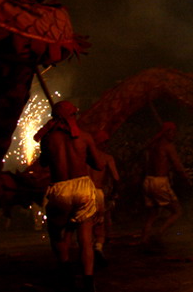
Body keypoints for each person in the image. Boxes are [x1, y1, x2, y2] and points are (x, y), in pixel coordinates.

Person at [38, 101, 103, 292]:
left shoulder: (48, 139)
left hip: (60, 188)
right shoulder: (85, 137)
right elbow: (98, 165)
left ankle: (66, 273)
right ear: (73, 116)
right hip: (83, 186)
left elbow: (43, 163)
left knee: (58, 233)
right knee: (85, 238)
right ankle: (89, 283)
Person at [141, 122, 192, 245]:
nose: (174, 135)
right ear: (167, 132)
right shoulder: (167, 146)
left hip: (148, 181)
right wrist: (186, 178)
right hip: (159, 182)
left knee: (152, 214)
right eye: (172, 132)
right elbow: (177, 165)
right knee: (177, 211)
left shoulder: (153, 145)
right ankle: (159, 234)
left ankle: (144, 240)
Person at [89, 131, 120, 267]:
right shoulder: (106, 158)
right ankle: (98, 249)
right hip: (97, 192)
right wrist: (115, 192)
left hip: (83, 191)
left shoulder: (84, 156)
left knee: (86, 225)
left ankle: (88, 251)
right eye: (105, 142)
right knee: (99, 225)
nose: (107, 144)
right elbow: (116, 178)